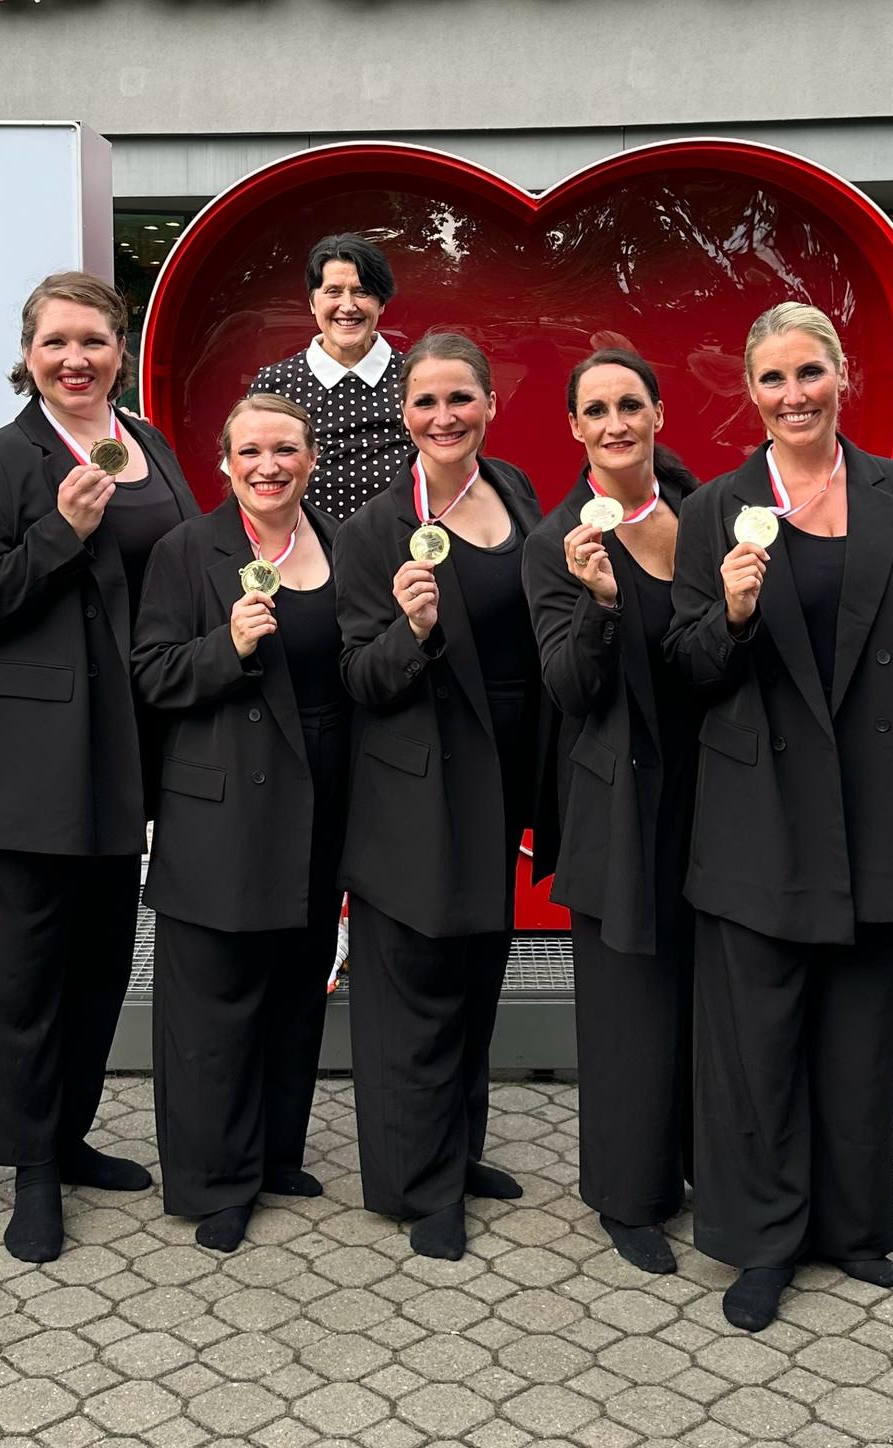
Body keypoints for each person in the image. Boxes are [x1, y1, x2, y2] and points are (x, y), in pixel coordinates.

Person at [666, 302, 893, 1332]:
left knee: (859, 1027)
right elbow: (687, 669)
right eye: (772, 380)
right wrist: (734, 613)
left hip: (878, 799)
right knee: (757, 1040)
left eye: (810, 372)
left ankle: (850, 1226)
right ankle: (761, 1241)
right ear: (749, 394)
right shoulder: (716, 508)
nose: (793, 394)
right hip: (759, 811)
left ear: (843, 375)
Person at [0, 271, 199, 1263]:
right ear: (28, 353)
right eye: (56, 343)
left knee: (96, 960)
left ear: (120, 347)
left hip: (125, 745)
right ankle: (31, 1164)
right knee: (20, 967)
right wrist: (60, 532)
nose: (76, 358)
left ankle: (69, 1133)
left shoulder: (146, 444)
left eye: (95, 339)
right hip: (23, 761)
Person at [333, 331, 545, 1260]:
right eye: (424, 402)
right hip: (416, 791)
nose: (443, 417)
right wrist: (412, 631)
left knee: (474, 973)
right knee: (413, 987)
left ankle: (457, 1152)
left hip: (498, 777)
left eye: (460, 398)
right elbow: (357, 678)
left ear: (489, 404)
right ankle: (415, 1188)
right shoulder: (376, 527)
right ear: (404, 414)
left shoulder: (519, 494)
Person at [132, 394, 348, 1253]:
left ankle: (270, 1154)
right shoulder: (188, 549)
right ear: (224, 463)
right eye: (250, 451)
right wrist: (227, 646)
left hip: (316, 806)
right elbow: (150, 673)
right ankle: (212, 1180)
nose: (269, 465)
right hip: (219, 811)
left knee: (295, 992)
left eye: (285, 450)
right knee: (212, 1006)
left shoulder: (333, 543)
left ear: (312, 458)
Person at [522, 349, 698, 1275]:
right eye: (596, 409)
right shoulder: (555, 543)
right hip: (620, 799)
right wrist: (595, 602)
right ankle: (628, 1198)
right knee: (628, 1006)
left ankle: (712, 1168)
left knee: (709, 993)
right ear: (574, 429)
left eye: (631, 401)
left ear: (659, 411)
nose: (616, 421)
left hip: (715, 792)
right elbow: (567, 687)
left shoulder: (707, 513)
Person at [250, 233, 406, 519]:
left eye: (362, 292)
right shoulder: (275, 384)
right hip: (305, 551)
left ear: (381, 302)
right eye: (333, 291)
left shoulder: (413, 377)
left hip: (399, 550)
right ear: (312, 302)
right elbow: (247, 479)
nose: (348, 306)